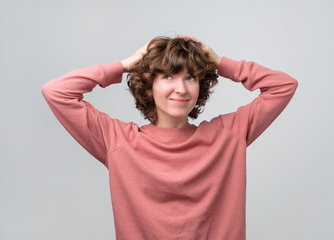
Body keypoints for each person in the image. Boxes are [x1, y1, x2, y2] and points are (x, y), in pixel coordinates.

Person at [41, 35, 298, 240]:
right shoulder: (119, 141)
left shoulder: (228, 136)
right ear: (149, 84)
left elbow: (283, 86)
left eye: (190, 77)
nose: (181, 88)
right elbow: (56, 92)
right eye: (167, 76)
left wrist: (218, 62)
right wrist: (125, 64)